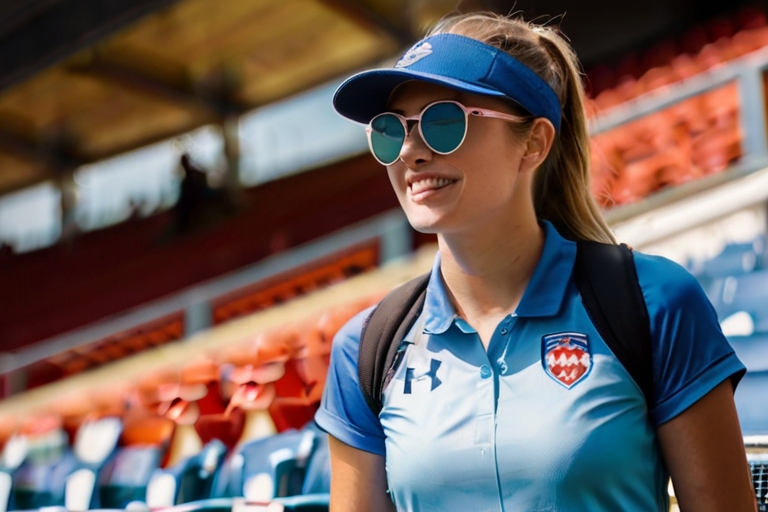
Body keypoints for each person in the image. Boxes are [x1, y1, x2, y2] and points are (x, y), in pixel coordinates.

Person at [314, 12, 756, 512]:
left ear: (534, 143)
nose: (411, 151)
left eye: (443, 122)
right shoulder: (365, 350)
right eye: (391, 132)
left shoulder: (655, 303)